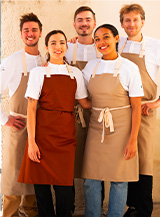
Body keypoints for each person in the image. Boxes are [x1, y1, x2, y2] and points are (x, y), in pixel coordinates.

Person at [17, 30, 91, 217]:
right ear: (47, 47)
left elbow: (85, 103)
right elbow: (31, 108)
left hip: (66, 134)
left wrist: (116, 106)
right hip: (41, 135)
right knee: (41, 187)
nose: (58, 47)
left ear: (67, 46)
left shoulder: (75, 72)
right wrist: (32, 142)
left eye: (62, 43)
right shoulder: (38, 72)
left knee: (65, 186)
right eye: (53, 43)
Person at [118, 4, 160, 217]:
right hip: (119, 112)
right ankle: (129, 208)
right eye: (127, 20)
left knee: (143, 160)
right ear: (122, 24)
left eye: (136, 20)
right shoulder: (116, 44)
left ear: (143, 21)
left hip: (143, 112)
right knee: (122, 159)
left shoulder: (156, 46)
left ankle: (143, 210)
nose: (131, 24)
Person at [81, 24, 143, 217]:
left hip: (122, 129)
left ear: (117, 38)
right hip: (96, 127)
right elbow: (82, 98)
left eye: (106, 37)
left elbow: (136, 107)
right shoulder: (91, 66)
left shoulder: (129, 68)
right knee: (90, 179)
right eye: (97, 39)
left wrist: (132, 140)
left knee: (119, 179)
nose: (101, 42)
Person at [0, 12, 43, 217]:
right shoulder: (11, 61)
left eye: (34, 29)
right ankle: (9, 213)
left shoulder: (46, 60)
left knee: (35, 174)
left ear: (40, 33)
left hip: (41, 128)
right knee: (13, 174)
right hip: (19, 127)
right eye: (26, 30)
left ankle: (30, 211)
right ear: (20, 34)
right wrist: (4, 119)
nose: (30, 33)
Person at [65, 5, 100, 179]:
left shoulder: (103, 49)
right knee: (72, 159)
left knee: (96, 160)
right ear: (74, 24)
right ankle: (72, 206)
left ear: (94, 23)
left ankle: (95, 205)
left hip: (97, 111)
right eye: (80, 20)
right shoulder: (66, 48)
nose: (84, 23)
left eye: (88, 20)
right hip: (73, 112)